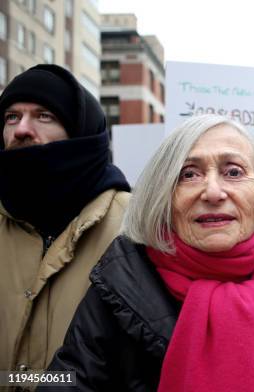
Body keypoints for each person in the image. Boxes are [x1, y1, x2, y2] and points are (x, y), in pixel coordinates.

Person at [48, 114, 254, 391]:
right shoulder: (122, 278)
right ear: (166, 198)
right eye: (189, 174)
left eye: (233, 172)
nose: (212, 191)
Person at [0, 64, 130, 372]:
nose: (21, 129)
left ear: (80, 132)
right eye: (11, 117)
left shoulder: (135, 226)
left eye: (44, 115)